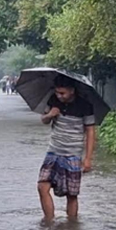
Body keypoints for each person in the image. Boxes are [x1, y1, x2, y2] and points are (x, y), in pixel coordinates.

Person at [38, 75, 96, 221]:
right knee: (42, 187)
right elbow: (44, 120)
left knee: (71, 194)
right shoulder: (53, 100)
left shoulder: (85, 106)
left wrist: (88, 158)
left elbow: (90, 131)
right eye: (57, 92)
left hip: (73, 154)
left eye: (62, 93)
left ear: (72, 90)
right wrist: (50, 114)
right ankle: (49, 223)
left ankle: (71, 226)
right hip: (53, 151)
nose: (59, 95)